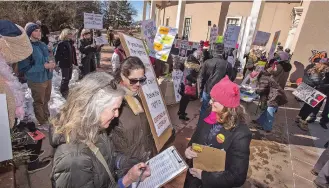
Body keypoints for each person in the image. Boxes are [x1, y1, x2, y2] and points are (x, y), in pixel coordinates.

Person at [50, 72, 151, 188]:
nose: (117, 115)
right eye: (114, 109)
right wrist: (127, 180)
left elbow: (107, 155)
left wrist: (125, 162)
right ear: (95, 109)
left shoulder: (95, 127)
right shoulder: (73, 161)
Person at [184, 75, 252, 188]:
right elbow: (197, 136)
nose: (210, 102)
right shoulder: (209, 113)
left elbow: (238, 176)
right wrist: (189, 149)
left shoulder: (241, 134)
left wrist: (204, 176)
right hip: (193, 178)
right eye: (211, 98)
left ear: (227, 106)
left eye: (215, 100)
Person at [110, 56, 157, 177]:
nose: (138, 84)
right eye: (133, 80)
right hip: (125, 170)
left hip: (144, 163)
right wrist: (124, 163)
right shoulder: (112, 102)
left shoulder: (139, 97)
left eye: (142, 80)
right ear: (122, 76)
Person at [18, 22, 55, 130]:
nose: (38, 33)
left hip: (47, 77)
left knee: (46, 99)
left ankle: (46, 118)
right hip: (36, 79)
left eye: (39, 30)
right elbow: (25, 68)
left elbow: (47, 59)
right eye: (35, 31)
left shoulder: (42, 44)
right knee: (39, 101)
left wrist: (51, 63)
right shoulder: (26, 48)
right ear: (29, 33)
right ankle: (42, 122)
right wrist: (44, 66)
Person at [199, 43, 233, 116]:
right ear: (223, 51)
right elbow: (230, 80)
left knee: (204, 108)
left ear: (214, 51)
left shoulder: (207, 62)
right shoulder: (227, 64)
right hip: (219, 91)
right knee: (215, 111)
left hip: (207, 89)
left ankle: (201, 125)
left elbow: (202, 77)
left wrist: (201, 88)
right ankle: (210, 126)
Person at [295, 59, 329, 131]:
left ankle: (298, 117)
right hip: (313, 92)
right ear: (323, 65)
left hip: (309, 90)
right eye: (327, 66)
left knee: (306, 106)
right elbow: (318, 84)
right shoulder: (318, 72)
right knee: (309, 108)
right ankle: (302, 121)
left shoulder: (313, 69)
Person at [54, 28, 77, 98]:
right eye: (69, 34)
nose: (70, 35)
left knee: (69, 77)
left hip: (69, 63)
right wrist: (57, 63)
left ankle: (65, 88)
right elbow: (56, 55)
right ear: (65, 34)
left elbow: (72, 53)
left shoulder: (69, 43)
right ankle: (63, 91)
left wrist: (74, 62)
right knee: (65, 78)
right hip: (64, 64)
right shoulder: (61, 43)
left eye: (71, 34)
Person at [178, 55, 200, 121]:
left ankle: (180, 111)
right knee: (185, 101)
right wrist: (195, 80)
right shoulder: (191, 67)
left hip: (183, 84)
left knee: (183, 100)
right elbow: (188, 76)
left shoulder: (186, 65)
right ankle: (182, 115)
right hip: (187, 87)